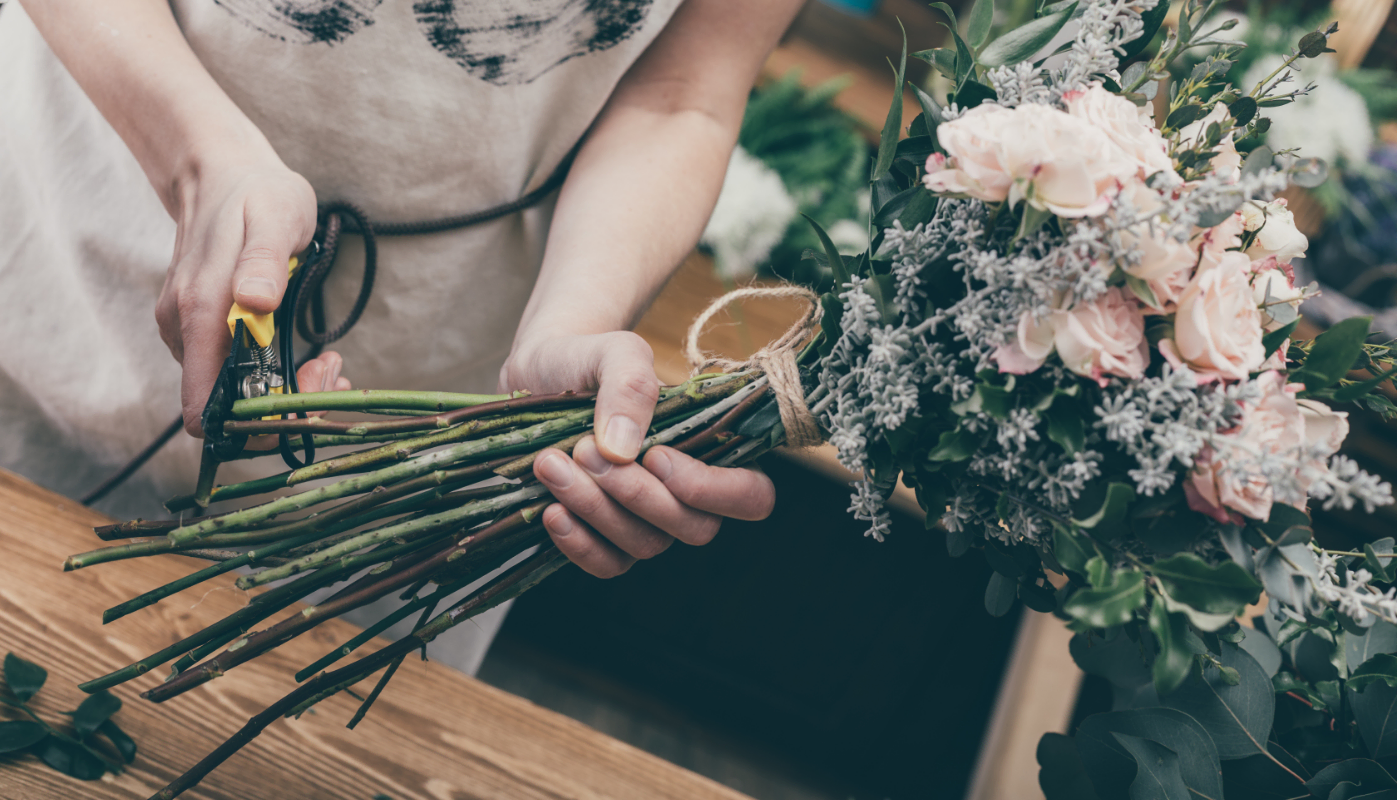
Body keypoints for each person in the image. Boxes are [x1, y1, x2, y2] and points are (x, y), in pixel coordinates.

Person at [1, 0, 801, 675]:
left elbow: (683, 93)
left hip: (426, 429)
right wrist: (201, 161)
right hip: (66, 247)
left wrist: (573, 320)